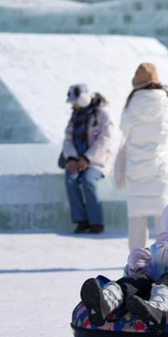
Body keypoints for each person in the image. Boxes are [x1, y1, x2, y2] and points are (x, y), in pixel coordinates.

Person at [79, 173, 168, 331]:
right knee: (138, 278)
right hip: (158, 288)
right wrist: (136, 266)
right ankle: (106, 302)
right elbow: (149, 274)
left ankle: (156, 311)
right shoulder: (163, 245)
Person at [116, 63, 168, 250]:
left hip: (137, 169)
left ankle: (136, 259)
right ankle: (165, 256)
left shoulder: (132, 104)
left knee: (137, 220)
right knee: (163, 217)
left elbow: (123, 128)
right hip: (161, 168)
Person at [62, 84, 117, 234]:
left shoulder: (102, 114)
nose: (73, 105)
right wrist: (72, 158)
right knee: (70, 178)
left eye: (75, 101)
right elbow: (68, 139)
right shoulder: (75, 116)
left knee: (88, 180)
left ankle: (97, 222)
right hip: (77, 159)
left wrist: (87, 158)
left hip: (97, 161)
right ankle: (81, 220)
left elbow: (106, 139)